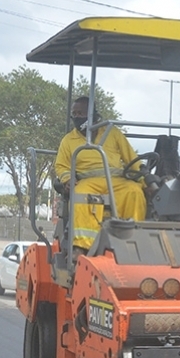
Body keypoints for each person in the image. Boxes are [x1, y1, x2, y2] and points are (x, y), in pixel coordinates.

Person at [54, 96, 147, 251]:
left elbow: (133, 159)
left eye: (80, 113)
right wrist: (67, 179)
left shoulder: (112, 133)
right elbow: (61, 165)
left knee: (135, 192)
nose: (76, 117)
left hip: (116, 181)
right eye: (74, 114)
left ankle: (132, 244)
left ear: (92, 114)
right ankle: (82, 247)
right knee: (80, 195)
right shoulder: (68, 140)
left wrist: (146, 182)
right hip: (88, 181)